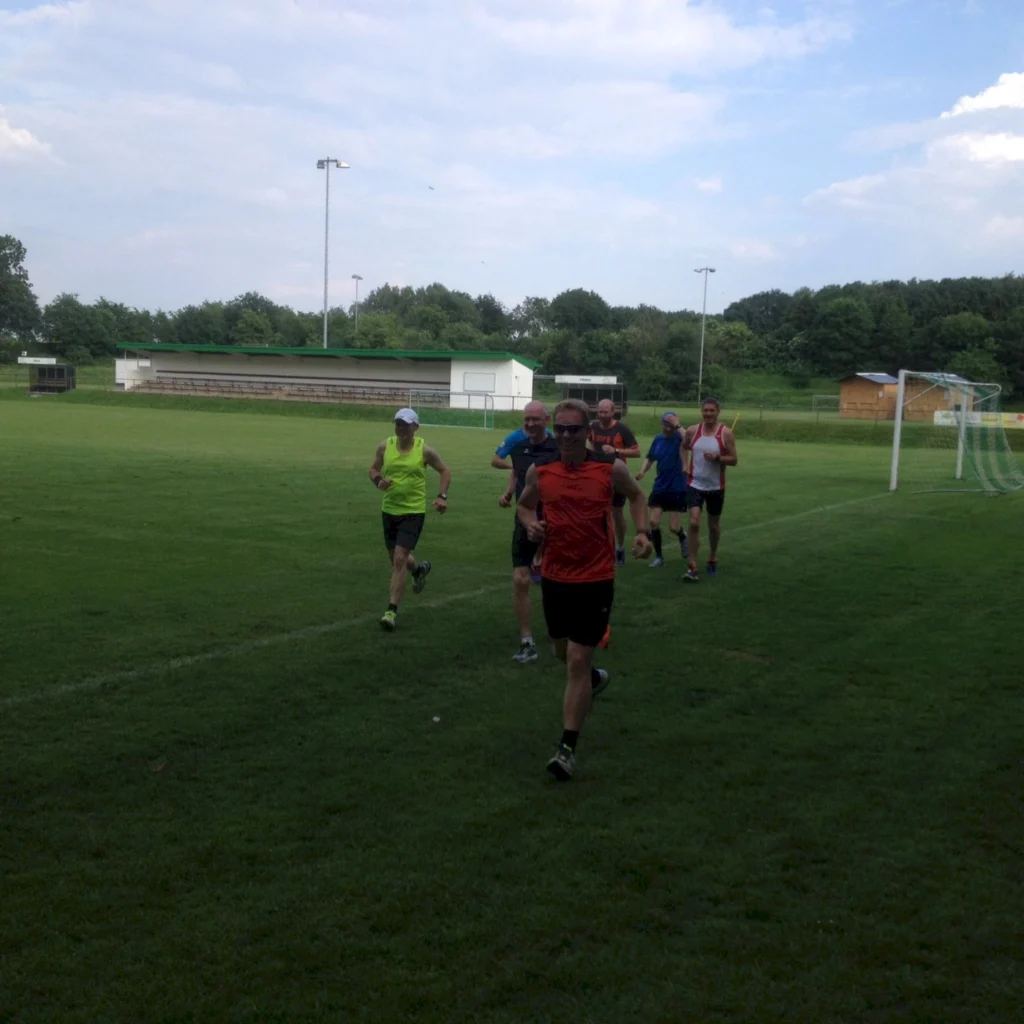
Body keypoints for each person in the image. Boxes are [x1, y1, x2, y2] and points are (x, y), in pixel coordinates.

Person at [517, 398, 652, 781]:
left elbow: (637, 496)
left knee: (577, 660)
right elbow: (525, 506)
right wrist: (530, 524)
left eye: (573, 429)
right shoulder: (541, 471)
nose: (564, 435)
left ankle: (566, 749)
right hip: (555, 576)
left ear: (587, 431)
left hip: (596, 577)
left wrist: (642, 532)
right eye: (560, 428)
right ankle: (593, 680)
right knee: (561, 652)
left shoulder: (609, 468)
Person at [369, 408, 451, 630]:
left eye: (405, 424)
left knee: (399, 558)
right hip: (389, 510)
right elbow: (374, 469)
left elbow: (445, 471)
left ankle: (391, 612)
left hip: (413, 511)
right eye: (398, 423)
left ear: (415, 427)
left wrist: (442, 497)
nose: (400, 428)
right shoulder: (385, 446)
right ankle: (418, 570)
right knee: (398, 559)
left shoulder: (424, 450)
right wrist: (378, 481)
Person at [491, 401, 557, 664]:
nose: (530, 424)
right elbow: (518, 476)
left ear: (546, 420)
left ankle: (559, 631)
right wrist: (509, 493)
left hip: (555, 521)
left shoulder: (558, 449)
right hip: (524, 519)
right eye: (526, 419)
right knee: (520, 579)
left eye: (535, 419)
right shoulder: (518, 448)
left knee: (556, 580)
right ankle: (527, 642)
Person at [682, 397, 737, 582]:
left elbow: (734, 459)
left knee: (713, 526)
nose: (708, 414)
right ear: (701, 412)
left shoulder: (725, 433)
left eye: (711, 410)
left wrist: (717, 457)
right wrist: (684, 465)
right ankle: (692, 565)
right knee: (694, 522)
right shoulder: (692, 431)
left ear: (718, 412)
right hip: (695, 484)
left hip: (715, 486)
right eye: (705, 410)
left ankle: (712, 557)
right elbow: (683, 447)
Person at [588, 398, 641, 566]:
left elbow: (637, 452)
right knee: (596, 512)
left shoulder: (621, 429)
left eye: (605, 412)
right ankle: (600, 547)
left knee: (616, 512)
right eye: (600, 412)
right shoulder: (593, 427)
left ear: (613, 412)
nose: (602, 415)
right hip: (597, 476)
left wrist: (616, 451)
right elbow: (591, 444)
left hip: (618, 476)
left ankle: (619, 548)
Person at [635, 411, 690, 568]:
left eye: (670, 425)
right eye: (665, 425)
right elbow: (650, 457)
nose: (667, 428)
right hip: (660, 486)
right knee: (653, 522)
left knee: (673, 527)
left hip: (677, 487)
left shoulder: (680, 438)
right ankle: (659, 557)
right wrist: (642, 471)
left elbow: (690, 439)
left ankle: (682, 536)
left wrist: (677, 425)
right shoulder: (658, 439)